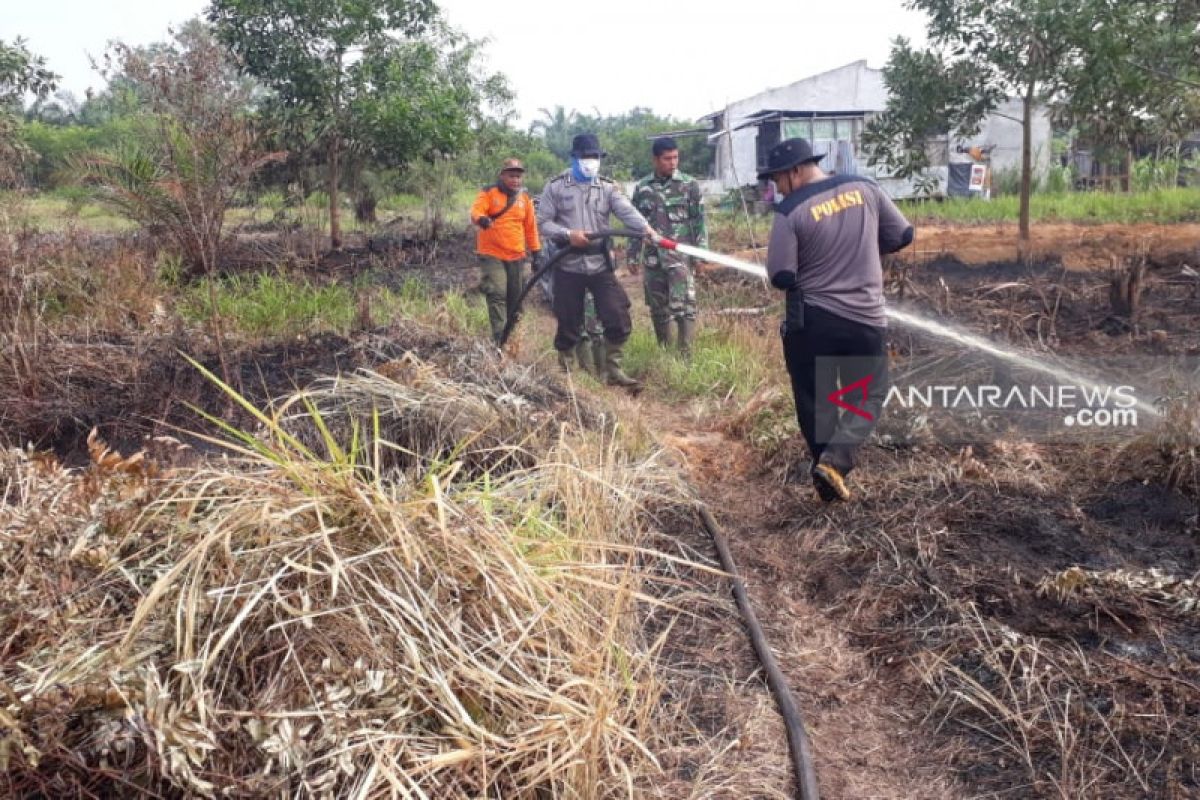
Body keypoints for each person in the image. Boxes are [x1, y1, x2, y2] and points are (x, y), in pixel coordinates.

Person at [760, 138, 914, 502]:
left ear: (795, 171)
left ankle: (827, 470)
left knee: (816, 400)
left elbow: (781, 275)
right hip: (866, 318)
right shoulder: (866, 188)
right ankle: (835, 465)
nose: (777, 188)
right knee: (867, 394)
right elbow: (903, 235)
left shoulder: (791, 210)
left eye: (778, 180)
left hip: (814, 322)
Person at [537, 133, 659, 387]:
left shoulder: (606, 187)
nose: (591, 162)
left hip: (599, 265)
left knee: (617, 316)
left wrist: (647, 230)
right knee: (569, 322)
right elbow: (543, 223)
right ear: (574, 158)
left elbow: (627, 212)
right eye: (586, 157)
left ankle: (612, 370)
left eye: (595, 157)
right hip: (567, 264)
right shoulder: (556, 186)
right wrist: (569, 235)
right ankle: (568, 377)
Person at [628, 136, 708, 358]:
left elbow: (699, 221)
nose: (673, 163)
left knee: (685, 307)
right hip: (653, 258)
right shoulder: (643, 188)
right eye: (667, 159)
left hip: (680, 257)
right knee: (658, 308)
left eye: (675, 157)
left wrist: (701, 255)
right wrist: (632, 254)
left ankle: (686, 356)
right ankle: (665, 353)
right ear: (655, 159)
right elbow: (635, 223)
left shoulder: (689, 185)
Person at [470, 158, 543, 345]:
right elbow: (476, 211)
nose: (515, 180)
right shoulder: (488, 192)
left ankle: (513, 340)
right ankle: (499, 341)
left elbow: (530, 228)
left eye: (518, 176)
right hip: (491, 254)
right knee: (496, 292)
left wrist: (536, 253)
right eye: (511, 176)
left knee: (516, 300)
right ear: (502, 175)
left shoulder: (524, 199)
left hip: (517, 256)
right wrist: (482, 219)